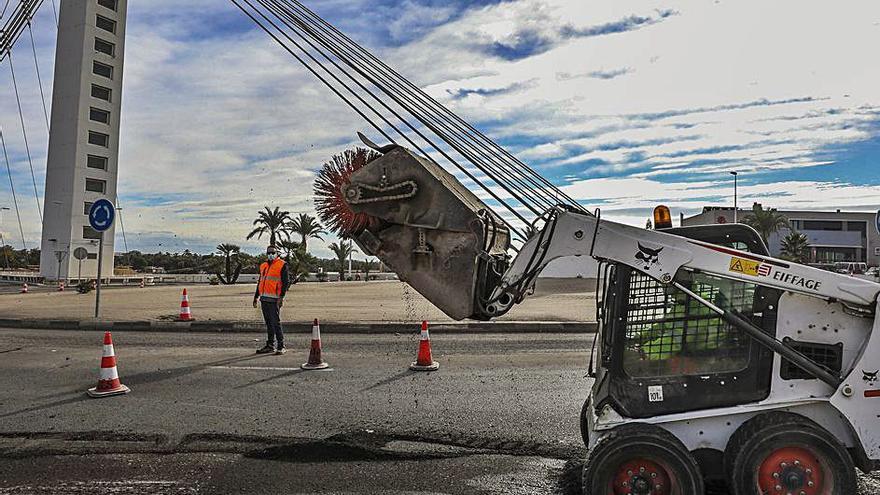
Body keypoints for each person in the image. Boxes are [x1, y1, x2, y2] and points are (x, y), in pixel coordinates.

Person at [253, 245, 290, 355]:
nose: (270, 254)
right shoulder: (263, 265)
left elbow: (285, 282)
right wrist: (256, 297)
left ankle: (281, 345)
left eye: (273, 252)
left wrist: (281, 297)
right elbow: (261, 282)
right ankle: (270, 345)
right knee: (268, 323)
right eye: (268, 252)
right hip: (264, 299)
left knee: (275, 323)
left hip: (274, 299)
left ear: (277, 253)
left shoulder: (282, 265)